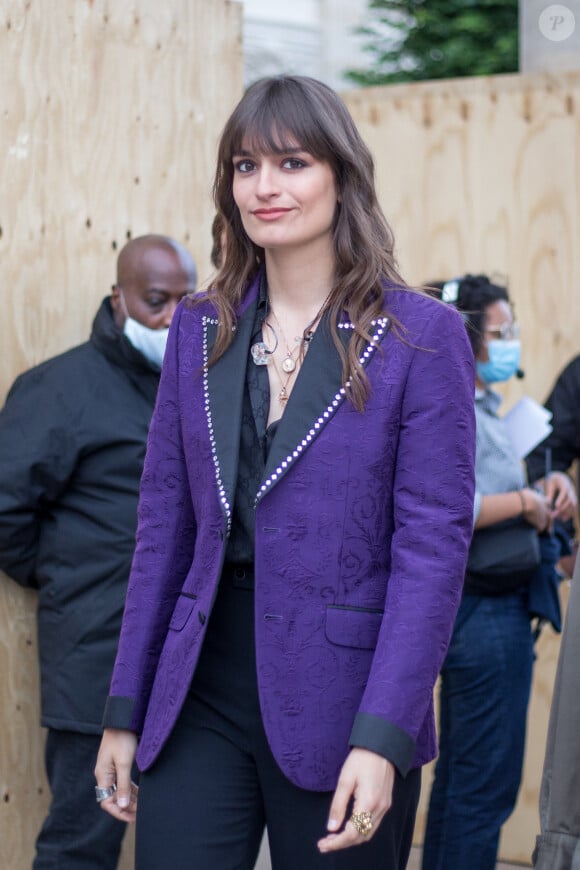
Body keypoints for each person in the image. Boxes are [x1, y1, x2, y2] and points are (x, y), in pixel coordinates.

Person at [94, 75, 476, 870]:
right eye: (244, 166)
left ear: (342, 174)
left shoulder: (420, 336)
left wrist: (384, 737)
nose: (264, 187)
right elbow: (164, 523)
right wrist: (125, 708)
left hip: (345, 695)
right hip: (198, 682)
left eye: (292, 162)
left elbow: (431, 556)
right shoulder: (202, 327)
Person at [0, 234, 198, 869]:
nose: (171, 318)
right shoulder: (58, 390)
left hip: (188, 661)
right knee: (83, 842)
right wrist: (63, 577)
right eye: (156, 302)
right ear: (119, 299)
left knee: (185, 839)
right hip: (96, 657)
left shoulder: (201, 389)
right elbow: (5, 510)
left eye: (185, 302)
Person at [421, 274, 576, 870]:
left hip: (497, 608)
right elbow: (448, 502)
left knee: (469, 783)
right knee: (480, 785)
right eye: (500, 331)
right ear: (465, 336)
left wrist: (546, 486)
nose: (511, 342)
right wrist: (527, 505)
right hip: (478, 608)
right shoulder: (448, 402)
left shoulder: (487, 404)